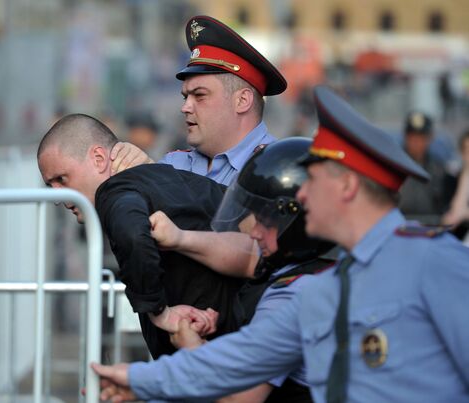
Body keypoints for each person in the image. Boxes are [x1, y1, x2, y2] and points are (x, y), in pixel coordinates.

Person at [91, 86, 469, 403]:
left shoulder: (434, 261)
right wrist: (139, 380)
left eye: (313, 181)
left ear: (346, 187)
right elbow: (238, 362)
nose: (300, 195)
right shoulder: (322, 289)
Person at [37, 113, 246, 359]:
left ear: (98, 158)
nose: (58, 197)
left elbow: (133, 236)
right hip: (241, 345)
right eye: (51, 186)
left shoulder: (114, 193)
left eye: (62, 179)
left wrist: (160, 313)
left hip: (208, 355)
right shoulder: (181, 180)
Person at [150, 137, 335, 402]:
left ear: (297, 222)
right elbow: (246, 257)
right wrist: (178, 238)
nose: (253, 232)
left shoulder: (292, 294)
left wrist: (190, 347)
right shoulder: (325, 269)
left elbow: (237, 399)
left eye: (263, 220)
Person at [110, 15, 287, 186]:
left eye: (200, 95)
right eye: (185, 96)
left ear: (242, 100)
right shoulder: (174, 163)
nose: (185, 107)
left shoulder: (277, 168)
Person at [398, 111, 450, 221]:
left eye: (422, 137)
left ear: (430, 138)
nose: (416, 142)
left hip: (431, 226)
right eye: (413, 137)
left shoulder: (439, 168)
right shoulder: (393, 164)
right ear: (405, 136)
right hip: (398, 225)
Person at [442, 129, 469, 242]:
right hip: (457, 238)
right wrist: (465, 176)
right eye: (466, 151)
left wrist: (464, 214)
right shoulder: (452, 179)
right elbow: (450, 217)